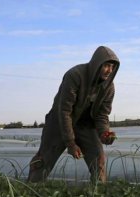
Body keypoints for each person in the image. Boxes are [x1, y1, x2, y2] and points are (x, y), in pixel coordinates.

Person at [28, 46, 120, 183]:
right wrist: (71, 143)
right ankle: (30, 192)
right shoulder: (75, 75)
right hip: (59, 123)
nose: (109, 71)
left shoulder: (109, 87)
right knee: (43, 161)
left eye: (112, 67)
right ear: (97, 64)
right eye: (106, 66)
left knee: (98, 160)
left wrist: (104, 133)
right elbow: (64, 111)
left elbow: (102, 115)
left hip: (85, 126)